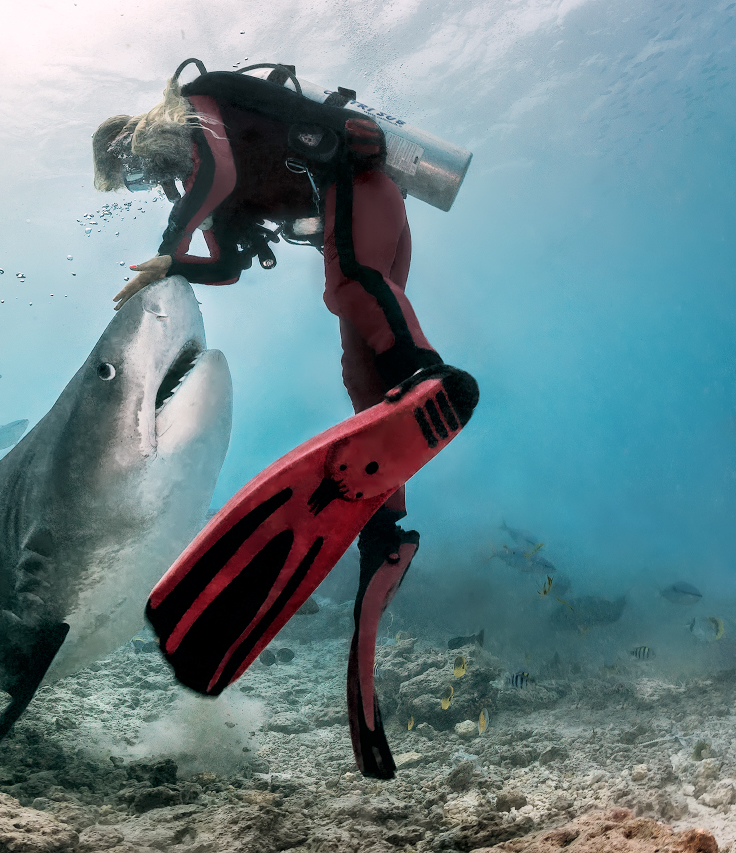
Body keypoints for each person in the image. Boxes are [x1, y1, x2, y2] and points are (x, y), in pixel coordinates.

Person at [94, 61, 472, 777]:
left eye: (136, 174)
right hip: (365, 216)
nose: (151, 187)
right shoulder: (216, 191)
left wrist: (171, 241)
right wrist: (172, 269)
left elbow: (215, 175)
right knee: (363, 379)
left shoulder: (204, 108)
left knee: (349, 287)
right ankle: (386, 534)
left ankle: (426, 370)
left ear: (137, 139)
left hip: (364, 195)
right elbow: (228, 266)